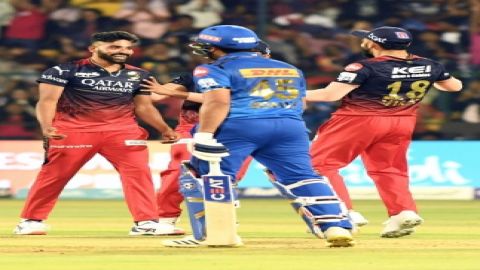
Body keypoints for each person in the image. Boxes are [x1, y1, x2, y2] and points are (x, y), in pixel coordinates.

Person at [153, 25, 354, 248]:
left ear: (217, 47)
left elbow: (218, 101)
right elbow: (301, 103)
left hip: (239, 126)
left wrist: (205, 134)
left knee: (203, 175)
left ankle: (217, 234)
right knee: (302, 176)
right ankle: (336, 226)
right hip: (290, 127)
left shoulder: (210, 69)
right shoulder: (289, 68)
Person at [13, 31, 179, 236]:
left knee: (139, 174)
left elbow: (144, 107)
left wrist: (164, 129)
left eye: (127, 48)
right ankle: (31, 221)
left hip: (123, 132)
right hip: (74, 131)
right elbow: (47, 101)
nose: (123, 51)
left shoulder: (139, 75)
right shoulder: (64, 70)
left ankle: (146, 223)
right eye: (115, 47)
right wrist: (47, 126)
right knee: (55, 176)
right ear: (93, 48)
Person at [306, 26, 463, 238]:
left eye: (365, 40)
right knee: (389, 169)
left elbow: (330, 95)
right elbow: (454, 87)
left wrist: (291, 94)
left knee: (319, 165)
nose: (363, 43)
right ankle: (403, 212)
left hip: (358, 119)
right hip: (402, 121)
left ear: (374, 44)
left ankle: (342, 213)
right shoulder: (429, 64)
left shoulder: (362, 66)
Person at [139, 41, 271, 235]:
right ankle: (165, 220)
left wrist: (177, 93)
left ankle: (222, 222)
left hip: (238, 128)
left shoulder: (264, 80)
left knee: (228, 176)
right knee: (178, 171)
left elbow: (222, 100)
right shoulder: (197, 74)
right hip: (191, 127)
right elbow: (156, 95)